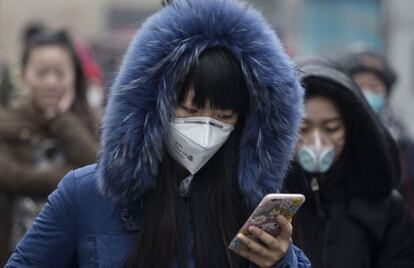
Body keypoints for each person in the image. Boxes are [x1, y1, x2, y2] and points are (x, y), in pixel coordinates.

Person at [6, 0, 311, 267]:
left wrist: (280, 262)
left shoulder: (249, 210)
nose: (205, 130)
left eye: (223, 116)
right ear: (151, 107)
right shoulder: (83, 195)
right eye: (190, 110)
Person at [283, 57, 414, 267]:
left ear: (350, 129)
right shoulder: (269, 202)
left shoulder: (386, 207)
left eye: (331, 128)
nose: (317, 141)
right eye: (303, 128)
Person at [0, 30, 98, 265]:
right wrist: (74, 175)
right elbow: (11, 177)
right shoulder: (6, 121)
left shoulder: (90, 123)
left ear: (74, 75)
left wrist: (61, 120)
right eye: (42, 73)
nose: (51, 82)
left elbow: (100, 171)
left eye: (60, 72)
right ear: (24, 75)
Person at [339, 46, 414, 220]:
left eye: (374, 86)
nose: (367, 93)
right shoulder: (334, 136)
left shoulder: (402, 144)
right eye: (360, 85)